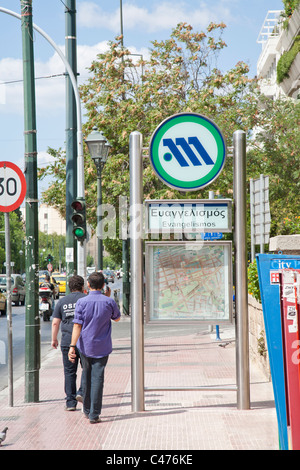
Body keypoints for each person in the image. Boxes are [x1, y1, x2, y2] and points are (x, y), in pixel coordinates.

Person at [68, 271, 120, 423]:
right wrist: (107, 298)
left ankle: (86, 409)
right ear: (103, 285)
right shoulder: (108, 302)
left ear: (88, 285)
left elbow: (77, 325)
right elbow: (116, 318)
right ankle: (94, 414)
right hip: (102, 347)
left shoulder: (82, 303)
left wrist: (72, 346)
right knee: (98, 379)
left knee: (86, 376)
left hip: (85, 346)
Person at [51, 275, 86, 411]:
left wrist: (54, 339)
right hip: (83, 341)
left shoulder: (62, 301)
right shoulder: (85, 300)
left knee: (69, 372)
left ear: (69, 287)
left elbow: (55, 323)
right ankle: (81, 392)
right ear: (82, 287)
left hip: (66, 341)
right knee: (86, 369)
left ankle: (70, 403)